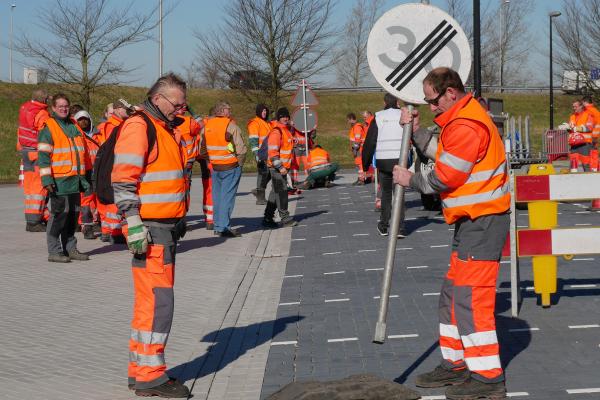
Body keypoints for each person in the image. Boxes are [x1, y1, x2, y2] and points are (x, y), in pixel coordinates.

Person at [393, 67, 510, 400]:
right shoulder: (459, 121)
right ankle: (456, 363)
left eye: (433, 101)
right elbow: (444, 153)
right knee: (453, 295)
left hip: (483, 221)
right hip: (471, 222)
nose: (431, 108)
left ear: (451, 93)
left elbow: (445, 176)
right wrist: (416, 134)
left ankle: (487, 378)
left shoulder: (467, 124)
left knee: (471, 299)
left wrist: (410, 179)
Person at [112, 73, 190, 398]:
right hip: (152, 229)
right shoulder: (139, 127)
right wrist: (132, 223)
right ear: (158, 99)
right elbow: (124, 179)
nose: (181, 110)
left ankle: (140, 370)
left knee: (149, 303)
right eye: (177, 104)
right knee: (160, 304)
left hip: (163, 227)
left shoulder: (164, 128)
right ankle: (151, 375)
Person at [37, 93, 91, 263]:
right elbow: (43, 157)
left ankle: (70, 248)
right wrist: (47, 181)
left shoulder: (74, 126)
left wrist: (86, 176)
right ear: (53, 108)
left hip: (75, 180)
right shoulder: (49, 128)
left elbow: (83, 152)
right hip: (59, 182)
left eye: (66, 106)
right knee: (59, 216)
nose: (63, 108)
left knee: (73, 216)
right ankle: (54, 251)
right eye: (59, 106)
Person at [361, 93, 407, 237]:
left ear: (384, 102)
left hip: (383, 161)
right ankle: (399, 228)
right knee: (399, 194)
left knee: (386, 194)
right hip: (400, 160)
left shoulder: (379, 116)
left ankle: (384, 225)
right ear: (397, 101)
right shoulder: (404, 114)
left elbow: (370, 142)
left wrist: (365, 164)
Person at [200, 101, 246, 237]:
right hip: (231, 166)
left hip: (215, 167)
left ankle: (218, 225)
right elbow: (241, 149)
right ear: (222, 111)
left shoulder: (207, 127)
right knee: (227, 197)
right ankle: (223, 227)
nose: (230, 112)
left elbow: (202, 150)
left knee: (217, 196)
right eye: (228, 109)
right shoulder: (231, 126)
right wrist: (240, 164)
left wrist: (212, 160)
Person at [96, 99, 133, 243]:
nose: (128, 112)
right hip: (113, 166)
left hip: (112, 165)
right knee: (113, 200)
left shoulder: (117, 124)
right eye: (125, 109)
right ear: (117, 109)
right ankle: (115, 231)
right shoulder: (113, 126)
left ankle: (110, 230)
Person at [18, 88, 51, 232]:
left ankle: (38, 217)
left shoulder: (25, 108)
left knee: (30, 188)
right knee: (39, 188)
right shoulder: (41, 113)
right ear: (43, 100)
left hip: (25, 150)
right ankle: (34, 222)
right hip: (37, 152)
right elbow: (45, 133)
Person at [262, 107, 298, 229]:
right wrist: (280, 167)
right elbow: (273, 152)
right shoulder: (277, 131)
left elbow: (286, 145)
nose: (285, 118)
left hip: (282, 167)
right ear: (278, 118)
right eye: (283, 116)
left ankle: (267, 218)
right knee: (282, 193)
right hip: (277, 168)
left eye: (287, 116)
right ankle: (285, 218)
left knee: (274, 193)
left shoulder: (285, 130)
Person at [74, 110, 101, 239]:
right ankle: (86, 226)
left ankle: (95, 222)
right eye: (80, 119)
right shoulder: (76, 136)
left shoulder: (98, 135)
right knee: (86, 200)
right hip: (84, 172)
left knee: (97, 199)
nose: (83, 121)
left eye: (85, 119)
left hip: (98, 172)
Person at [248, 103, 271, 205]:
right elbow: (253, 140)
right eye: (263, 111)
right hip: (261, 154)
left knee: (268, 174)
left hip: (268, 153)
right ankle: (260, 199)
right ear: (258, 112)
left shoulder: (266, 123)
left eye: (265, 111)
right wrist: (258, 155)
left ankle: (258, 191)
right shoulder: (255, 123)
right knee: (263, 174)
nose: (264, 113)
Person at [566, 100, 594, 172]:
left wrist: (576, 128)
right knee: (573, 164)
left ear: (581, 106)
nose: (574, 108)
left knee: (586, 163)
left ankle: (589, 180)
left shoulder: (588, 115)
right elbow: (571, 129)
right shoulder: (572, 116)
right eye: (573, 107)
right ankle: (572, 180)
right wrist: (567, 128)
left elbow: (589, 128)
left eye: (575, 106)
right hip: (574, 143)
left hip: (585, 143)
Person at [347, 113, 367, 186]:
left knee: (360, 164)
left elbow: (357, 139)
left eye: (348, 120)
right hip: (358, 148)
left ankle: (361, 179)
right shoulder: (355, 127)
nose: (348, 122)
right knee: (358, 164)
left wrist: (355, 149)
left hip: (359, 148)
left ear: (352, 119)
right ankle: (360, 178)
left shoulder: (357, 127)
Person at [582, 95, 600, 171]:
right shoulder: (596, 111)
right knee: (594, 155)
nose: (582, 105)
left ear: (585, 102)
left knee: (586, 157)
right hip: (595, 137)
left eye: (582, 103)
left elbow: (589, 125)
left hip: (589, 138)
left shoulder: (588, 111)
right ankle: (595, 170)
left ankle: (589, 173)